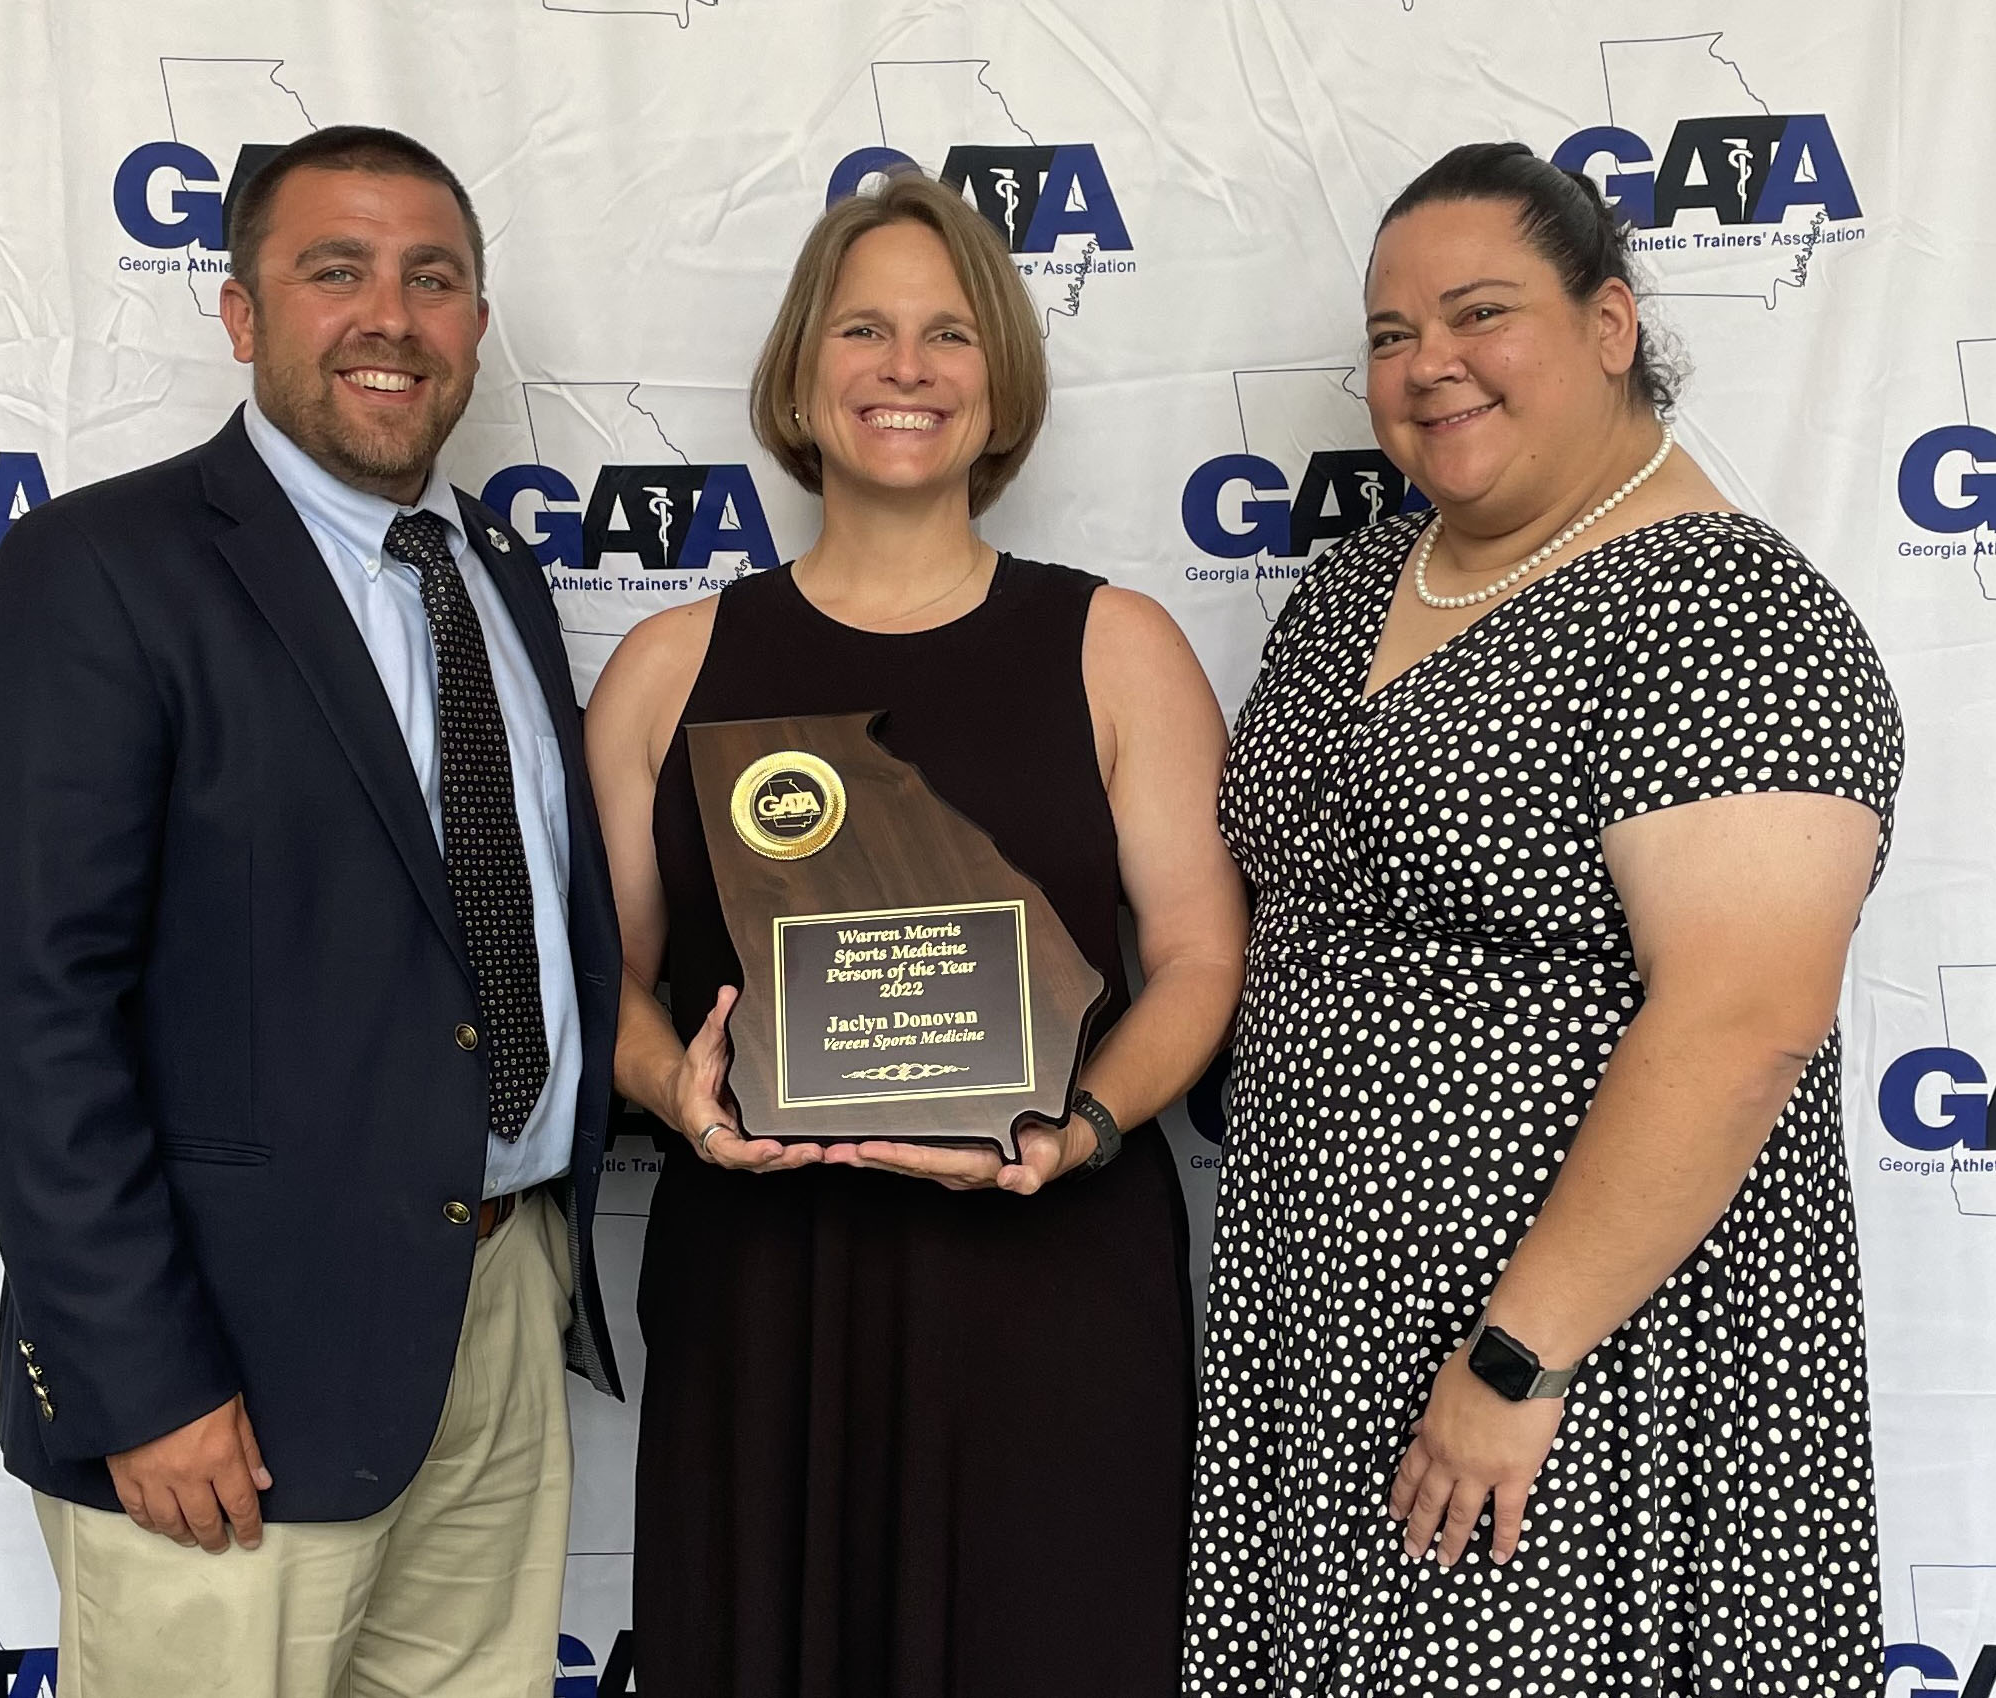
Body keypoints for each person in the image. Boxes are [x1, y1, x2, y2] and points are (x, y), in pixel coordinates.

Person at [1185, 141, 1903, 1696]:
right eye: (1389, 335)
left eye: (1478, 312)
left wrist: (1521, 1356)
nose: (1427, 363)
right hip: (1323, 1327)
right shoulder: (1366, 575)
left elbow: (1742, 1018)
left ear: (1609, 324)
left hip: (1575, 1365)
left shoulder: (1723, 609)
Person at [0, 125, 622, 1698]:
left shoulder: (497, 579)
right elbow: (30, 1005)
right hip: (221, 1370)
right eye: (338, 271)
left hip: (495, 1314)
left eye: (432, 279)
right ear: (241, 315)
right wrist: (139, 1377)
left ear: (476, 325)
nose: (391, 314)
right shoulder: (100, 571)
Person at [583, 171, 1247, 1698]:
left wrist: (1081, 1126)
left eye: (948, 333)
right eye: (865, 328)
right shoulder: (670, 665)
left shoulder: (1116, 644)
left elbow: (1205, 960)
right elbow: (602, 983)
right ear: (801, 376)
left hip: (1049, 1299)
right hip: (764, 1291)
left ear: (999, 377)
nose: (905, 367)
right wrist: (668, 1086)